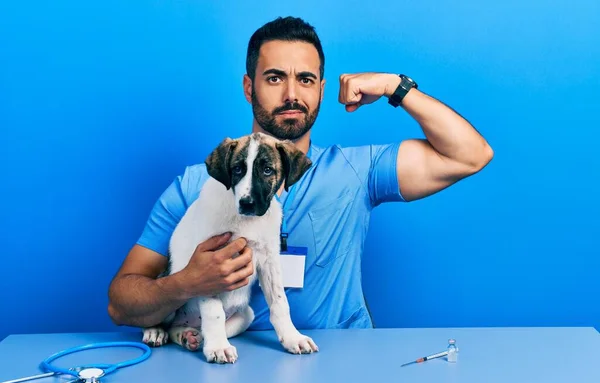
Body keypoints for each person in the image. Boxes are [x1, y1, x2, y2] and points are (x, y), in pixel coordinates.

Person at [107, 16, 493, 332]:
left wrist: (396, 86)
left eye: (305, 79)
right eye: (275, 78)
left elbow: (470, 156)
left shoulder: (356, 171)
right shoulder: (195, 187)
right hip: (234, 363)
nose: (292, 94)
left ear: (322, 89)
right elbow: (120, 305)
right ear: (248, 87)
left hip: (341, 364)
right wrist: (186, 283)